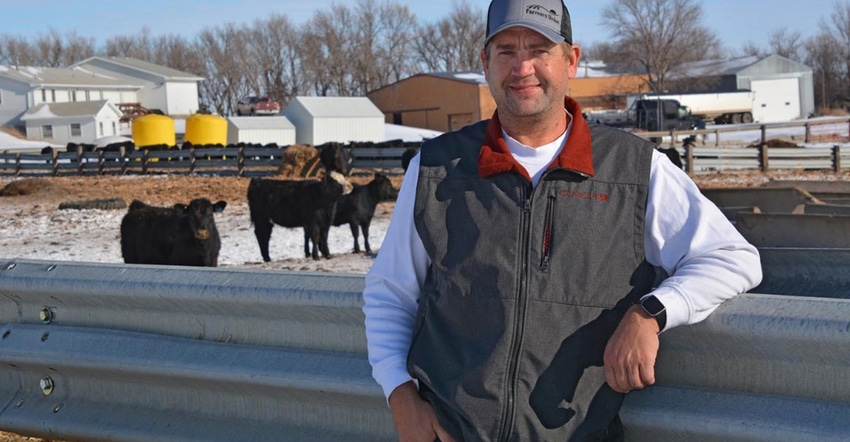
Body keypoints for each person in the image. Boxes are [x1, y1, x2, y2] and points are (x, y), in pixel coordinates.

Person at [362, 0, 763, 440]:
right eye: (506, 51)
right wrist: (400, 395)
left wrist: (649, 313)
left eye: (539, 49)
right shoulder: (438, 168)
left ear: (571, 60)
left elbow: (732, 257)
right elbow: (390, 293)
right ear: (485, 63)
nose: (523, 67)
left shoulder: (633, 170)